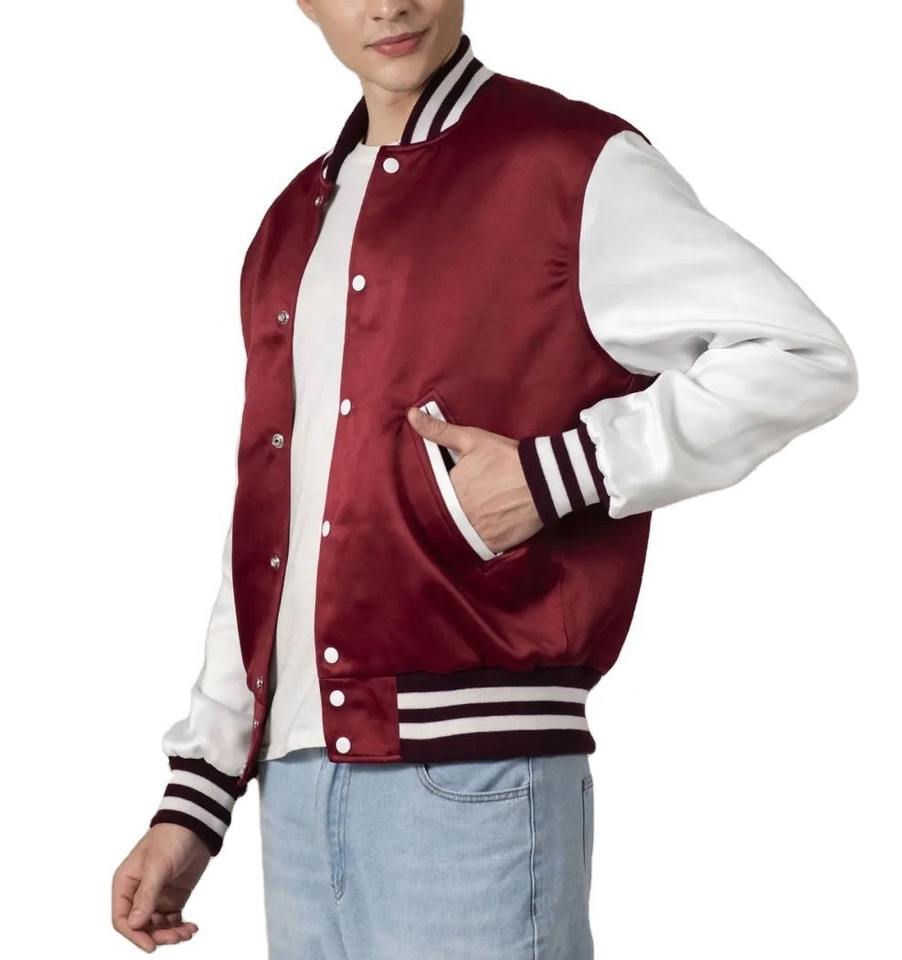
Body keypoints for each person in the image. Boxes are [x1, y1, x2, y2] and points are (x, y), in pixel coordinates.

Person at [111, 2, 859, 957]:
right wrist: (200, 793)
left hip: (475, 782)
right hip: (292, 793)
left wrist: (556, 474)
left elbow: (797, 356)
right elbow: (271, 518)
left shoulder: (564, 164)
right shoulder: (292, 223)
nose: (389, 4)